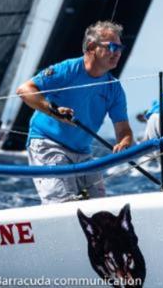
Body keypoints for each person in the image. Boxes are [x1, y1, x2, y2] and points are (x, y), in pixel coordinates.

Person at [17, 21, 133, 203]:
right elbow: (24, 90)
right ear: (92, 47)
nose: (117, 52)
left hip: (82, 152)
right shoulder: (68, 70)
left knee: (100, 210)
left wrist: (124, 143)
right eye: (112, 46)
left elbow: (123, 130)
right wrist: (54, 111)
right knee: (65, 205)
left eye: (120, 47)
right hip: (48, 144)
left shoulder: (114, 88)